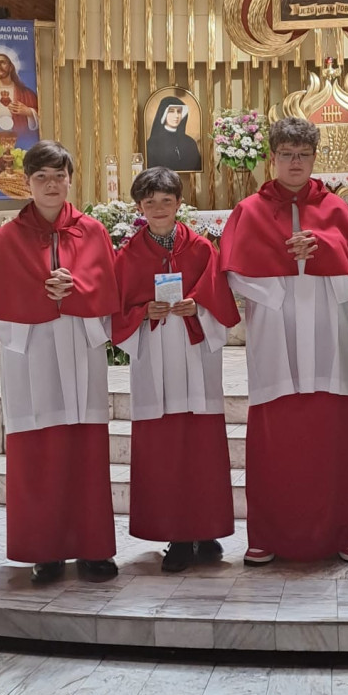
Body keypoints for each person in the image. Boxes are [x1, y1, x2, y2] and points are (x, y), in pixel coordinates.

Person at [220, 116, 348, 565]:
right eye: (286, 154)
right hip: (274, 335)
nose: (295, 163)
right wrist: (281, 282)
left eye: (303, 155)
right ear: (272, 158)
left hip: (327, 337)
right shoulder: (249, 210)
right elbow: (233, 271)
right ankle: (268, 535)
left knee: (334, 436)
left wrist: (321, 252)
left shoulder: (336, 209)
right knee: (275, 438)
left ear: (314, 158)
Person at [0, 140, 119, 585]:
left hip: (81, 352)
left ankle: (94, 550)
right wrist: (39, 297)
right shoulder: (6, 238)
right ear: (27, 183)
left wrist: (76, 293)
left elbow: (111, 293)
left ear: (70, 179)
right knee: (38, 457)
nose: (52, 185)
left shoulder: (93, 232)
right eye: (41, 178)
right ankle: (44, 552)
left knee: (87, 455)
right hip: (31, 358)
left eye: (59, 176)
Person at [112, 166, 240, 573]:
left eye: (166, 201)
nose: (158, 208)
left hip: (195, 358)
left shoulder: (201, 249)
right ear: (139, 207)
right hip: (155, 362)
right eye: (150, 202)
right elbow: (115, 313)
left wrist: (197, 306)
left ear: (179, 203)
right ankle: (178, 536)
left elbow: (222, 302)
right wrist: (142, 312)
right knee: (165, 452)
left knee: (203, 450)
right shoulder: (128, 256)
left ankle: (207, 530)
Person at [145, 96, 202, 171]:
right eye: (171, 111)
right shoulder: (152, 143)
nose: (176, 116)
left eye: (179, 111)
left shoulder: (190, 142)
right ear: (164, 114)